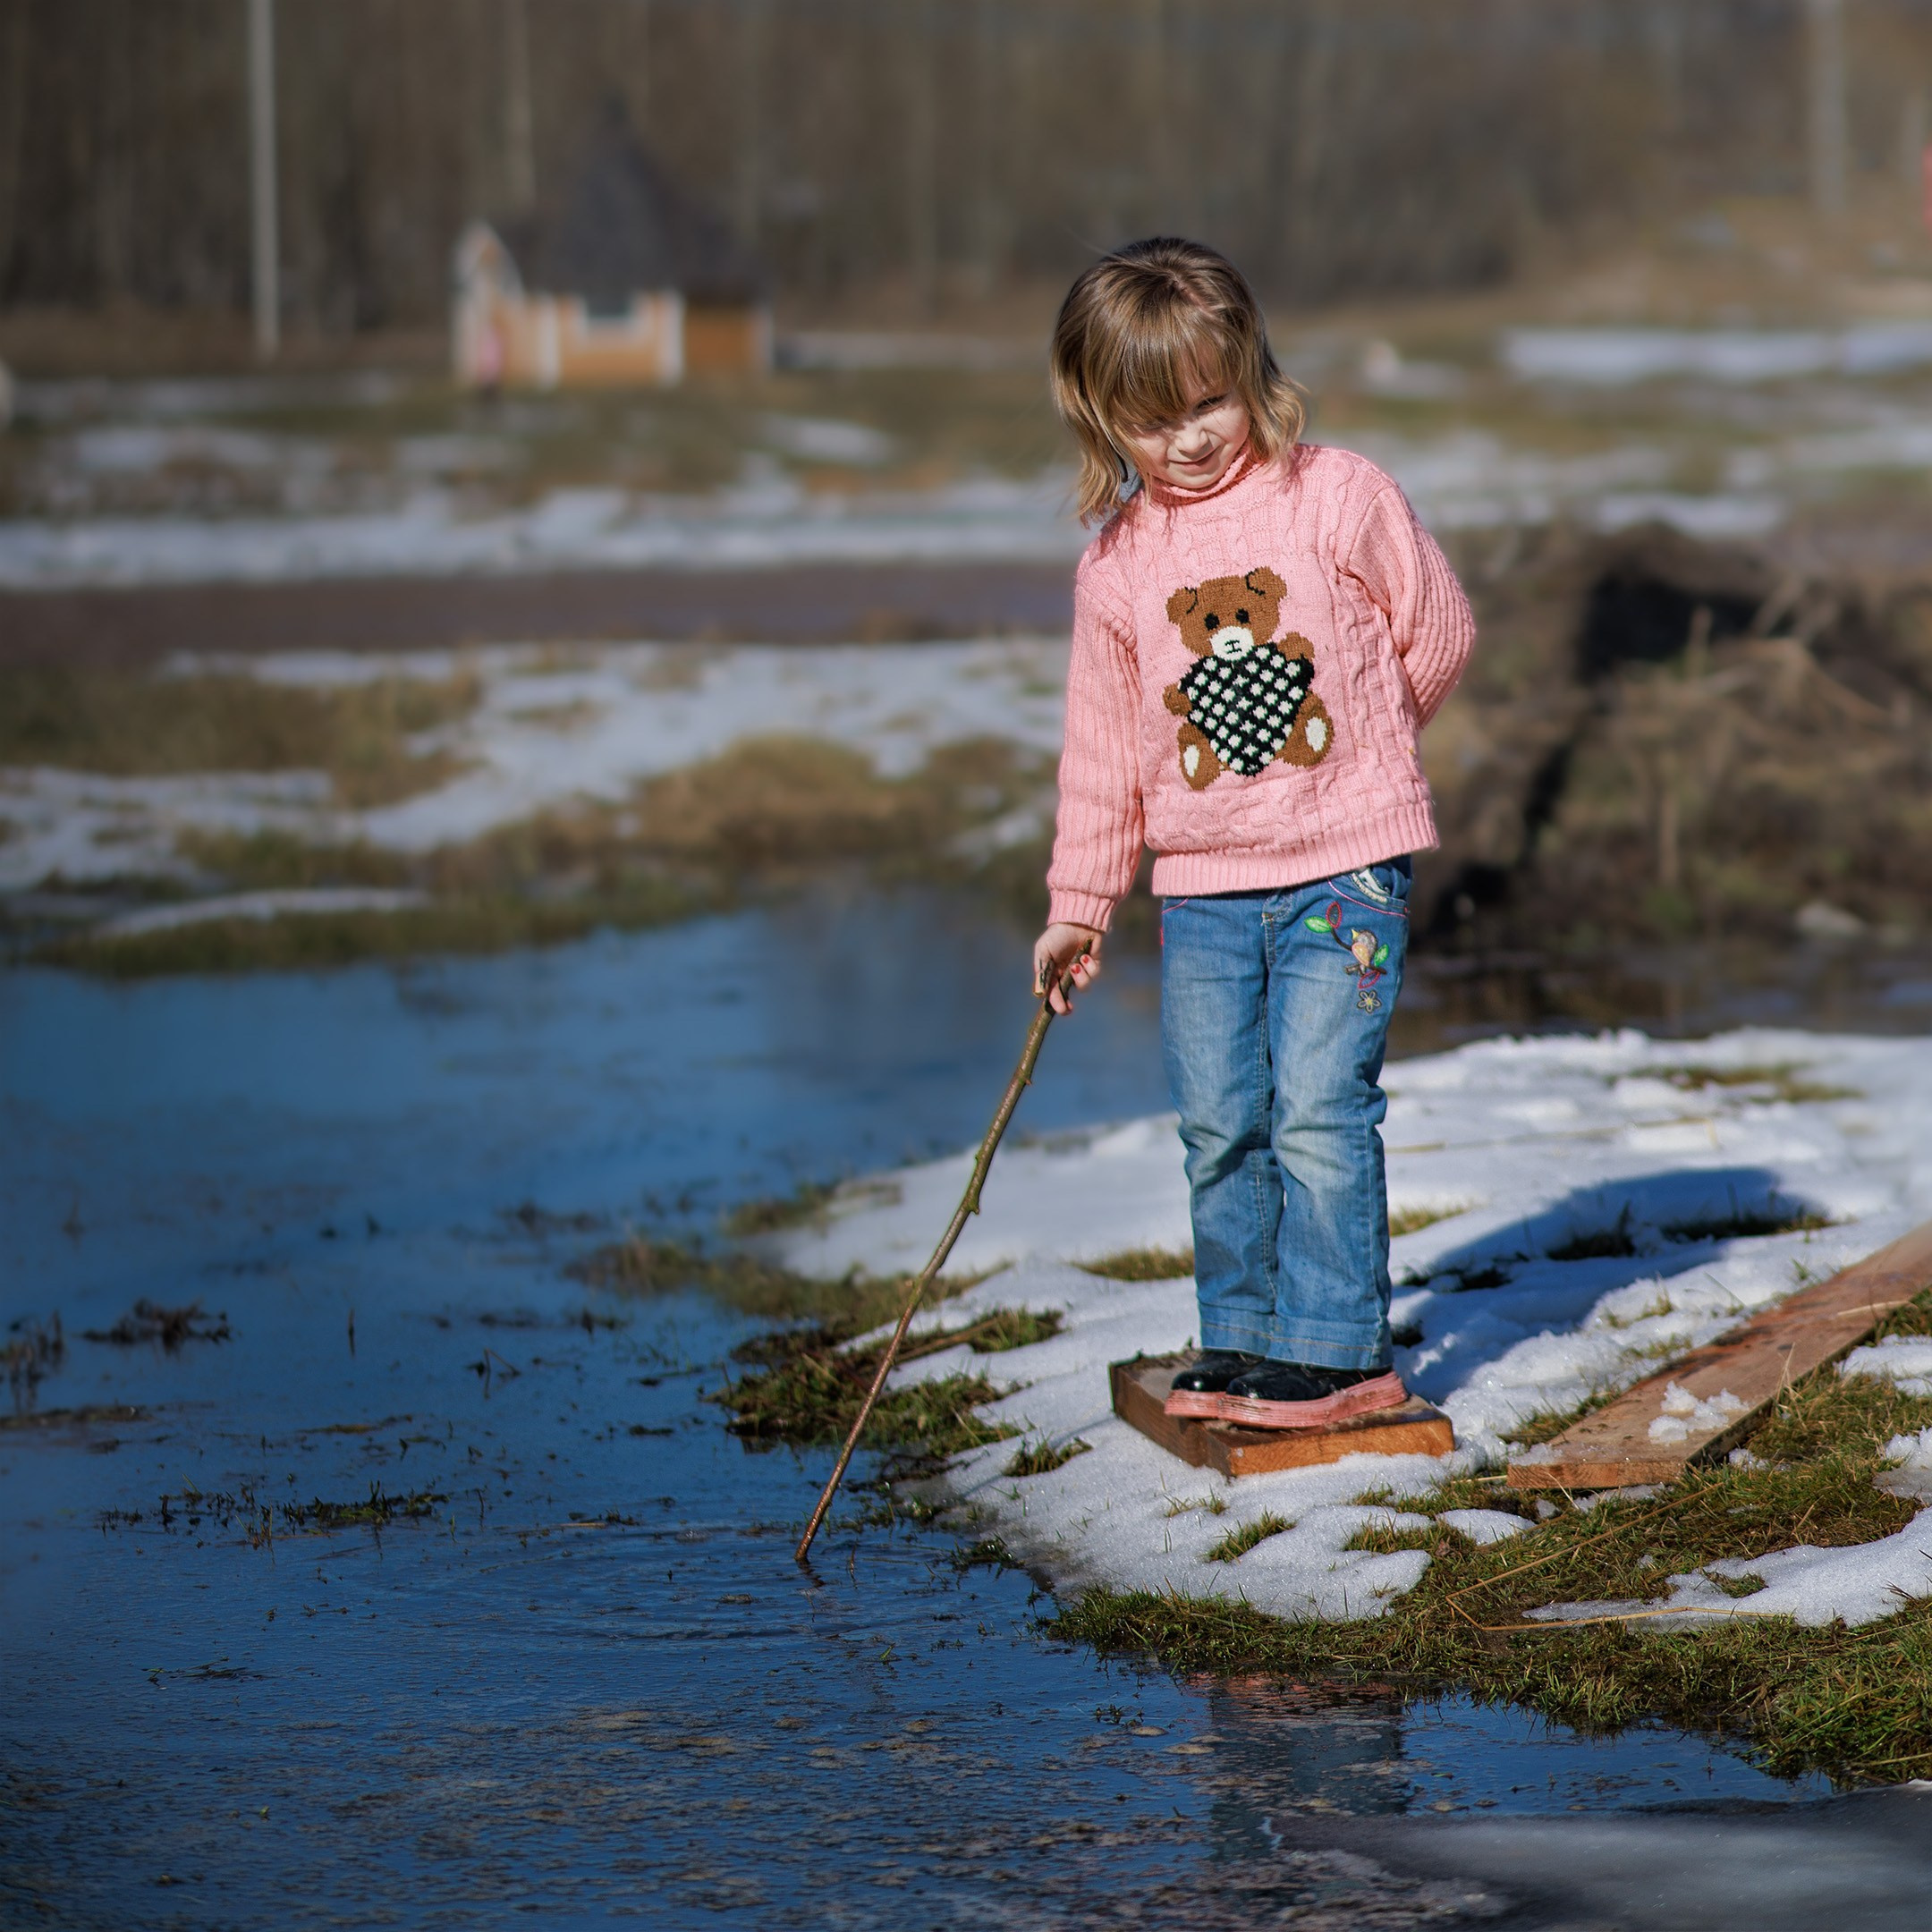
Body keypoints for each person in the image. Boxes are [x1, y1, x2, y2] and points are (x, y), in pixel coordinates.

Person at [1033, 237, 1473, 1431]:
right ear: (1099, 418)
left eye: (1211, 399)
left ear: (1252, 371)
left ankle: (1340, 1358)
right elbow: (1107, 754)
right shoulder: (1118, 569)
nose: (1190, 436)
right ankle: (1246, 1340)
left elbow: (1435, 626)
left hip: (1345, 876)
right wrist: (1080, 907)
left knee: (1322, 1107)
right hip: (1206, 894)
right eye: (1151, 416)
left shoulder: (1337, 494)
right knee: (1223, 1119)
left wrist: (1372, 759)